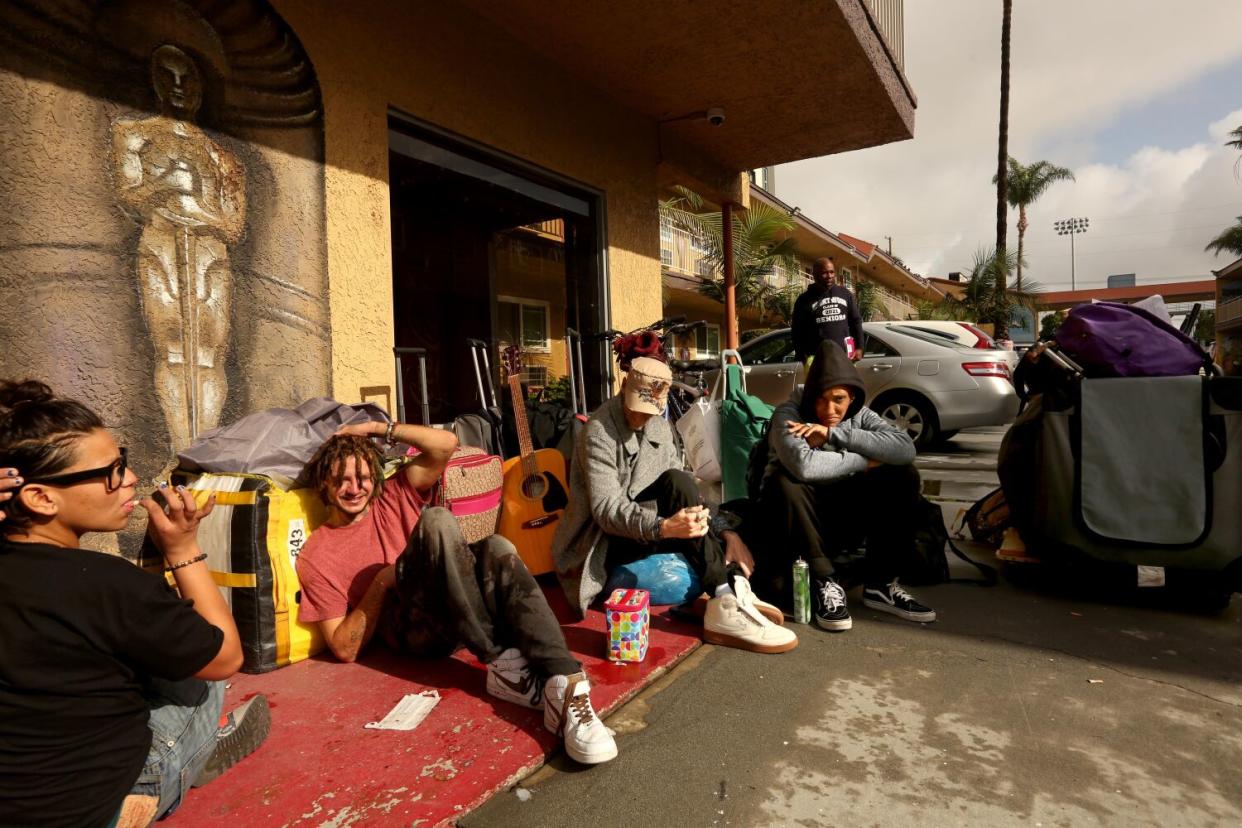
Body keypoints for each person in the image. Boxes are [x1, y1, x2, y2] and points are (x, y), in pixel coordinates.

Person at [0, 380, 268, 827]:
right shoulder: (108, 583)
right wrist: (182, 548)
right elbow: (226, 657)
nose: (129, 479)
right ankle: (183, 765)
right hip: (96, 804)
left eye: (121, 461)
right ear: (41, 497)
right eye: (110, 472)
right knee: (203, 673)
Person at [295, 420, 618, 765]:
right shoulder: (318, 555)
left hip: (457, 609)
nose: (355, 488)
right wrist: (382, 582)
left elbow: (445, 444)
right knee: (436, 521)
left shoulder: (391, 494)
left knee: (496, 546)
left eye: (362, 477)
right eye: (342, 479)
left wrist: (374, 427)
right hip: (413, 629)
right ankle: (500, 660)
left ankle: (567, 683)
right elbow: (343, 647)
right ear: (324, 485)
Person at [553, 357, 797, 653]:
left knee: (703, 491)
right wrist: (664, 527)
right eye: (635, 407)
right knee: (681, 493)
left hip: (648, 529)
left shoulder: (660, 426)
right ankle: (725, 591)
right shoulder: (598, 431)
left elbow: (683, 493)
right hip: (603, 541)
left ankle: (727, 590)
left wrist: (724, 533)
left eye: (649, 411)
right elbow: (607, 510)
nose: (641, 417)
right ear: (624, 386)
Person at [758, 342, 936, 631]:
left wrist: (833, 434)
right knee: (786, 479)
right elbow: (805, 466)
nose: (830, 409)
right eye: (821, 400)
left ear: (851, 397)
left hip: (839, 514)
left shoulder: (860, 415)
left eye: (838, 399)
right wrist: (865, 461)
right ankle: (824, 581)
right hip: (793, 520)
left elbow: (905, 449)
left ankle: (880, 583)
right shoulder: (788, 414)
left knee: (903, 474)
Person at [792, 257, 864, 363]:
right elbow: (797, 330)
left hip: (845, 357)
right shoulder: (804, 300)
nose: (829, 276)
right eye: (824, 273)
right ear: (814, 275)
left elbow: (856, 321)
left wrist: (859, 347)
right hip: (817, 359)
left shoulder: (845, 294)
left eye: (832, 272)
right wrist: (801, 353)